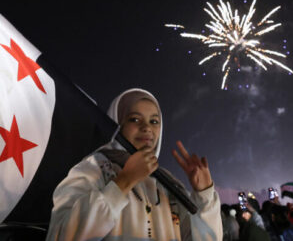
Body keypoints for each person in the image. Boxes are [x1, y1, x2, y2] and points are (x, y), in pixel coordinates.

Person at [46, 88, 222, 240]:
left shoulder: (168, 183)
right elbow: (62, 235)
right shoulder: (94, 168)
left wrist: (204, 195)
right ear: (117, 124)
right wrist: (124, 182)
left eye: (154, 121)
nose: (147, 128)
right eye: (134, 119)